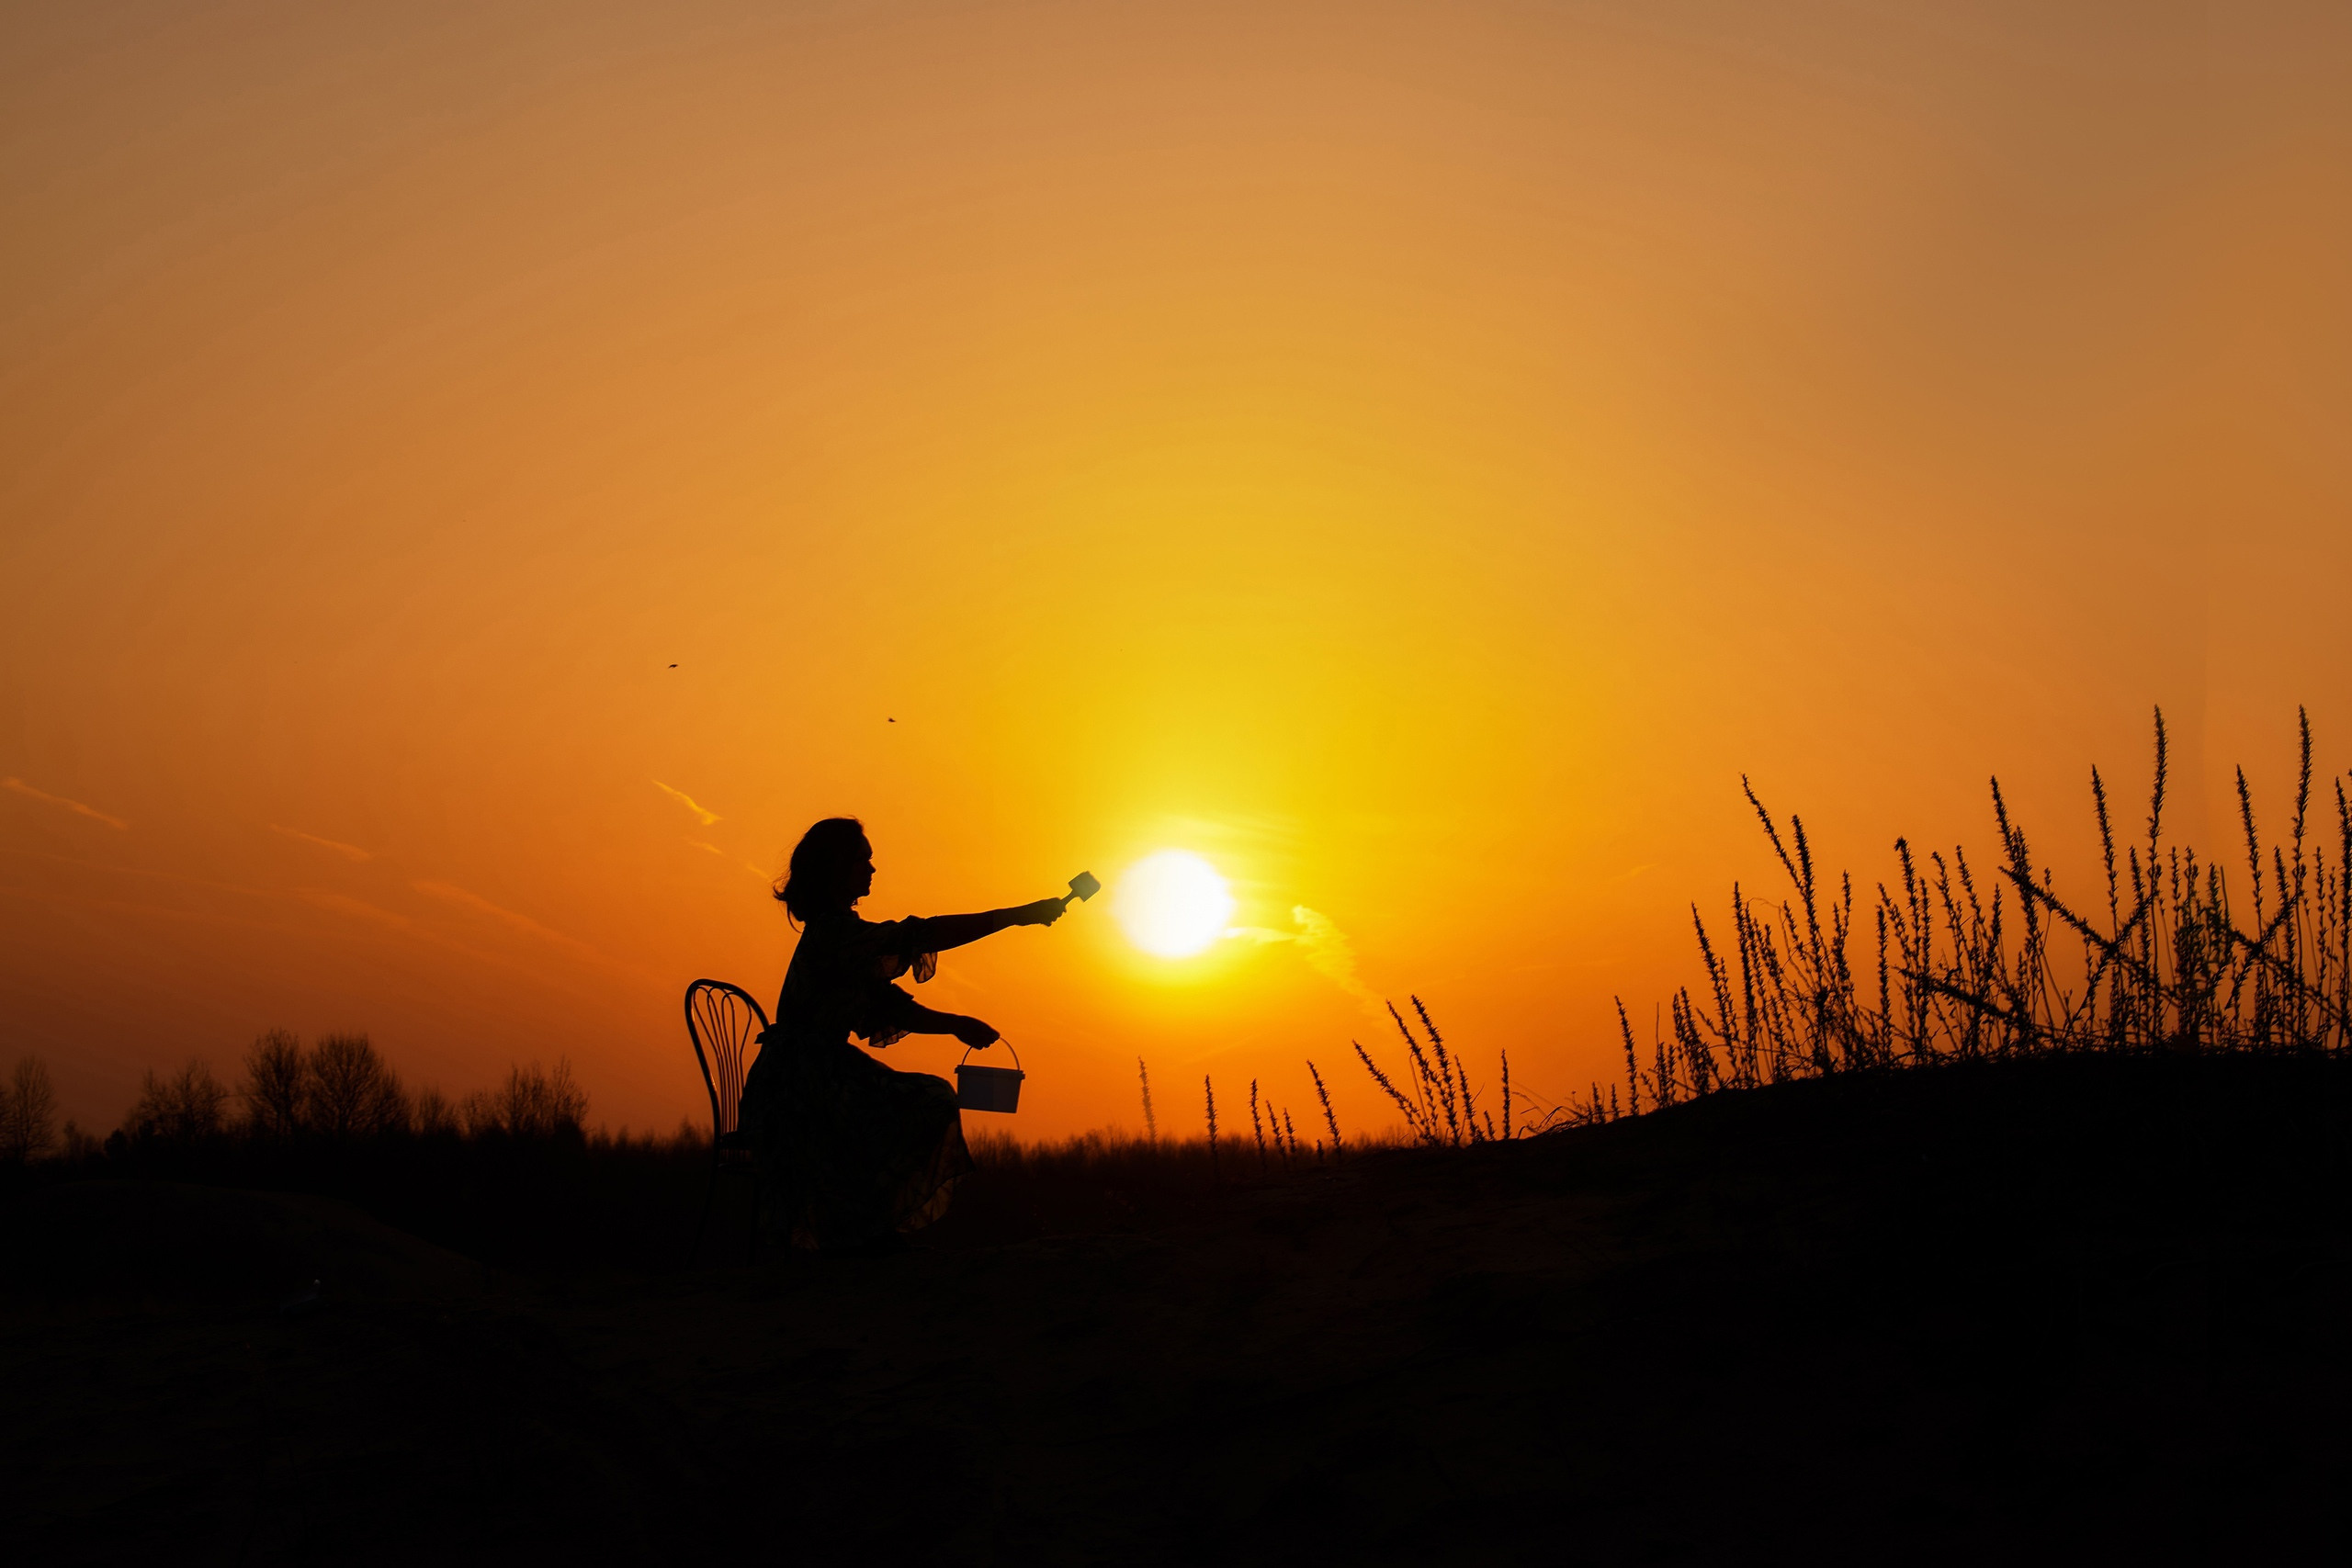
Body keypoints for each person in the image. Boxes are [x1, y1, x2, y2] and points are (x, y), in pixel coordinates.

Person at [740, 817, 1065, 1250]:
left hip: (819, 1075)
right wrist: (1015, 917)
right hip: (798, 1086)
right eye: (863, 861)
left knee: (925, 1101)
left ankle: (858, 1230)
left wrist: (954, 1025)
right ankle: (863, 1230)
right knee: (925, 1104)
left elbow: (888, 1006)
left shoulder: (842, 937)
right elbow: (922, 934)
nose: (872, 870)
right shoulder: (836, 935)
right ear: (837, 868)